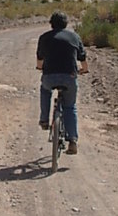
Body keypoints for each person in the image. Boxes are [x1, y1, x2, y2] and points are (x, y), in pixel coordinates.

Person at [36, 11, 88, 155]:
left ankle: (44, 120)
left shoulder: (44, 37)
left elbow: (39, 59)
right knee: (70, 106)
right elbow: (82, 59)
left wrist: (40, 68)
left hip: (49, 76)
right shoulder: (74, 37)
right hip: (69, 76)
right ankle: (72, 141)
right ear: (66, 24)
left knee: (45, 90)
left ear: (51, 23)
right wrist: (84, 70)